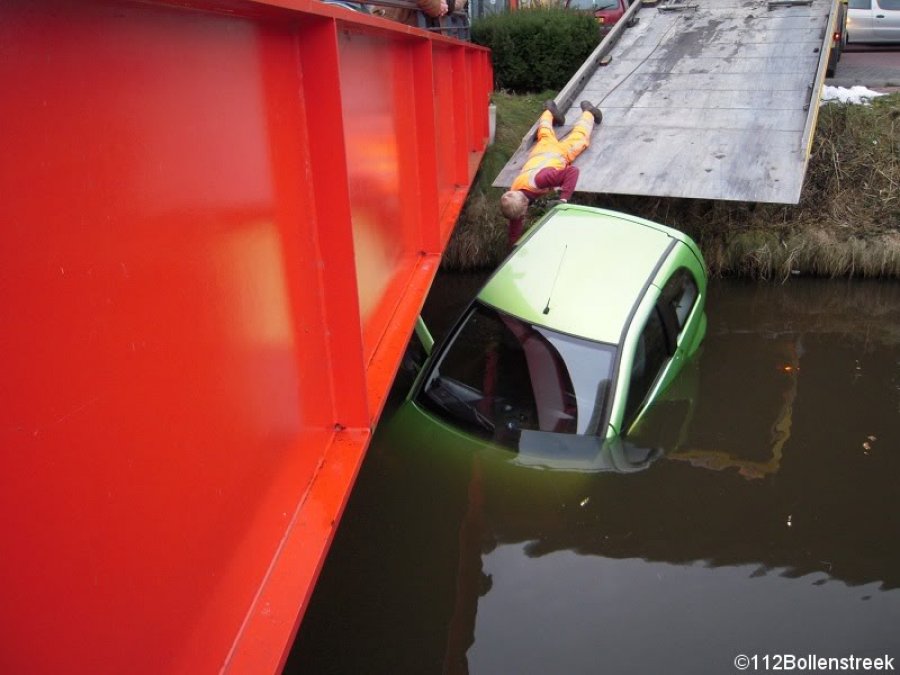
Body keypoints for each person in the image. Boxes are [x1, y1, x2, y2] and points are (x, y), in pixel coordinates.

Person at [499, 99, 603, 246]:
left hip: (559, 154)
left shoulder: (541, 181)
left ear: (525, 207)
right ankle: (549, 111)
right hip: (539, 153)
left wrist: (563, 199)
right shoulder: (515, 192)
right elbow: (515, 221)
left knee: (580, 137)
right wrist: (513, 243)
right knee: (545, 132)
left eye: (523, 214)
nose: (522, 216)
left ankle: (588, 112)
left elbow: (572, 172)